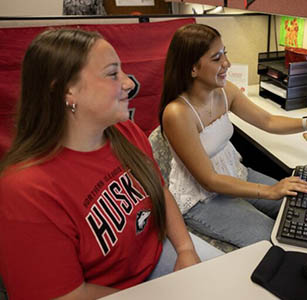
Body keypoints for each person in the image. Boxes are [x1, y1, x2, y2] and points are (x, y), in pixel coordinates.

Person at [0, 28, 222, 300]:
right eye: (112, 73)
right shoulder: (26, 191)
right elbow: (65, 294)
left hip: (160, 257)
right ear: (67, 91)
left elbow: (160, 193)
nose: (128, 83)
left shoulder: (125, 132)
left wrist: (186, 249)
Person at [159, 23, 307, 248]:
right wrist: (269, 191)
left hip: (236, 174)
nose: (227, 64)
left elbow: (267, 121)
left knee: (303, 203)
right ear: (192, 68)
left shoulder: (224, 91)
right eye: (216, 58)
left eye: (225, 54)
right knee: (271, 237)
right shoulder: (177, 113)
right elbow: (209, 180)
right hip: (202, 197)